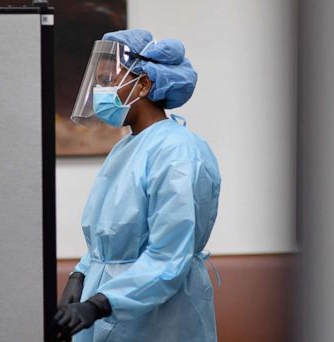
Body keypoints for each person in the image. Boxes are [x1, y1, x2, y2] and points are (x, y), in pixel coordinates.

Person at [54, 29, 221, 342]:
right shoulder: (126, 148)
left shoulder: (178, 153)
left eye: (107, 81)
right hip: (110, 310)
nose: (99, 92)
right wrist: (81, 273)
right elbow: (110, 237)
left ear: (144, 84)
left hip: (157, 320)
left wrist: (100, 303)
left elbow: (169, 257)